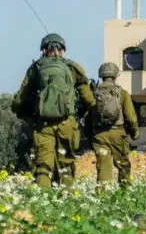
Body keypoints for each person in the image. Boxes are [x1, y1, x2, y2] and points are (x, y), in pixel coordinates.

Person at [10, 34, 95, 187]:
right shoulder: (73, 68)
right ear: (63, 49)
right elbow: (88, 99)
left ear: (43, 50)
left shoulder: (36, 68)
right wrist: (80, 115)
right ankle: (67, 199)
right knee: (66, 163)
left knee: (43, 166)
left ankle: (44, 200)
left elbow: (19, 100)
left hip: (44, 125)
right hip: (67, 123)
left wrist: (27, 116)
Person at [88, 62, 139, 187]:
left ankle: (102, 195)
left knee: (103, 166)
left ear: (101, 75)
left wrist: (90, 136)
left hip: (99, 135)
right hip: (118, 134)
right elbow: (131, 117)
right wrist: (134, 133)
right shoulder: (122, 93)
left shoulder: (94, 94)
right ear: (116, 75)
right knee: (123, 165)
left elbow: (88, 118)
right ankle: (124, 193)